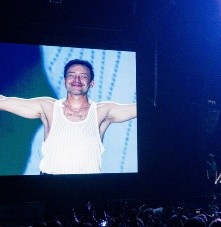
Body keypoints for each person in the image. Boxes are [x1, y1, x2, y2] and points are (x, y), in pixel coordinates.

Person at [0, 58, 137, 174]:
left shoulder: (103, 111)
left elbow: (143, 109)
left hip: (89, 188)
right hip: (51, 186)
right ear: (65, 80)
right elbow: (3, 102)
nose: (77, 79)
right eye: (71, 75)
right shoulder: (48, 107)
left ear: (91, 83)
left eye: (83, 76)